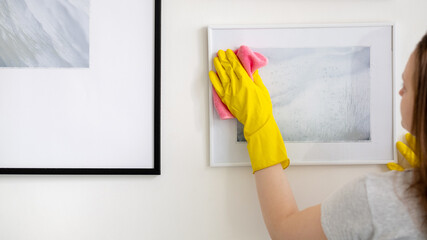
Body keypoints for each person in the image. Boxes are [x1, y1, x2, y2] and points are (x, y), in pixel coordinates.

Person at [209, 33, 427, 239]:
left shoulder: (378, 199)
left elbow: (286, 232)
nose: (399, 92)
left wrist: (259, 125)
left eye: (405, 87)